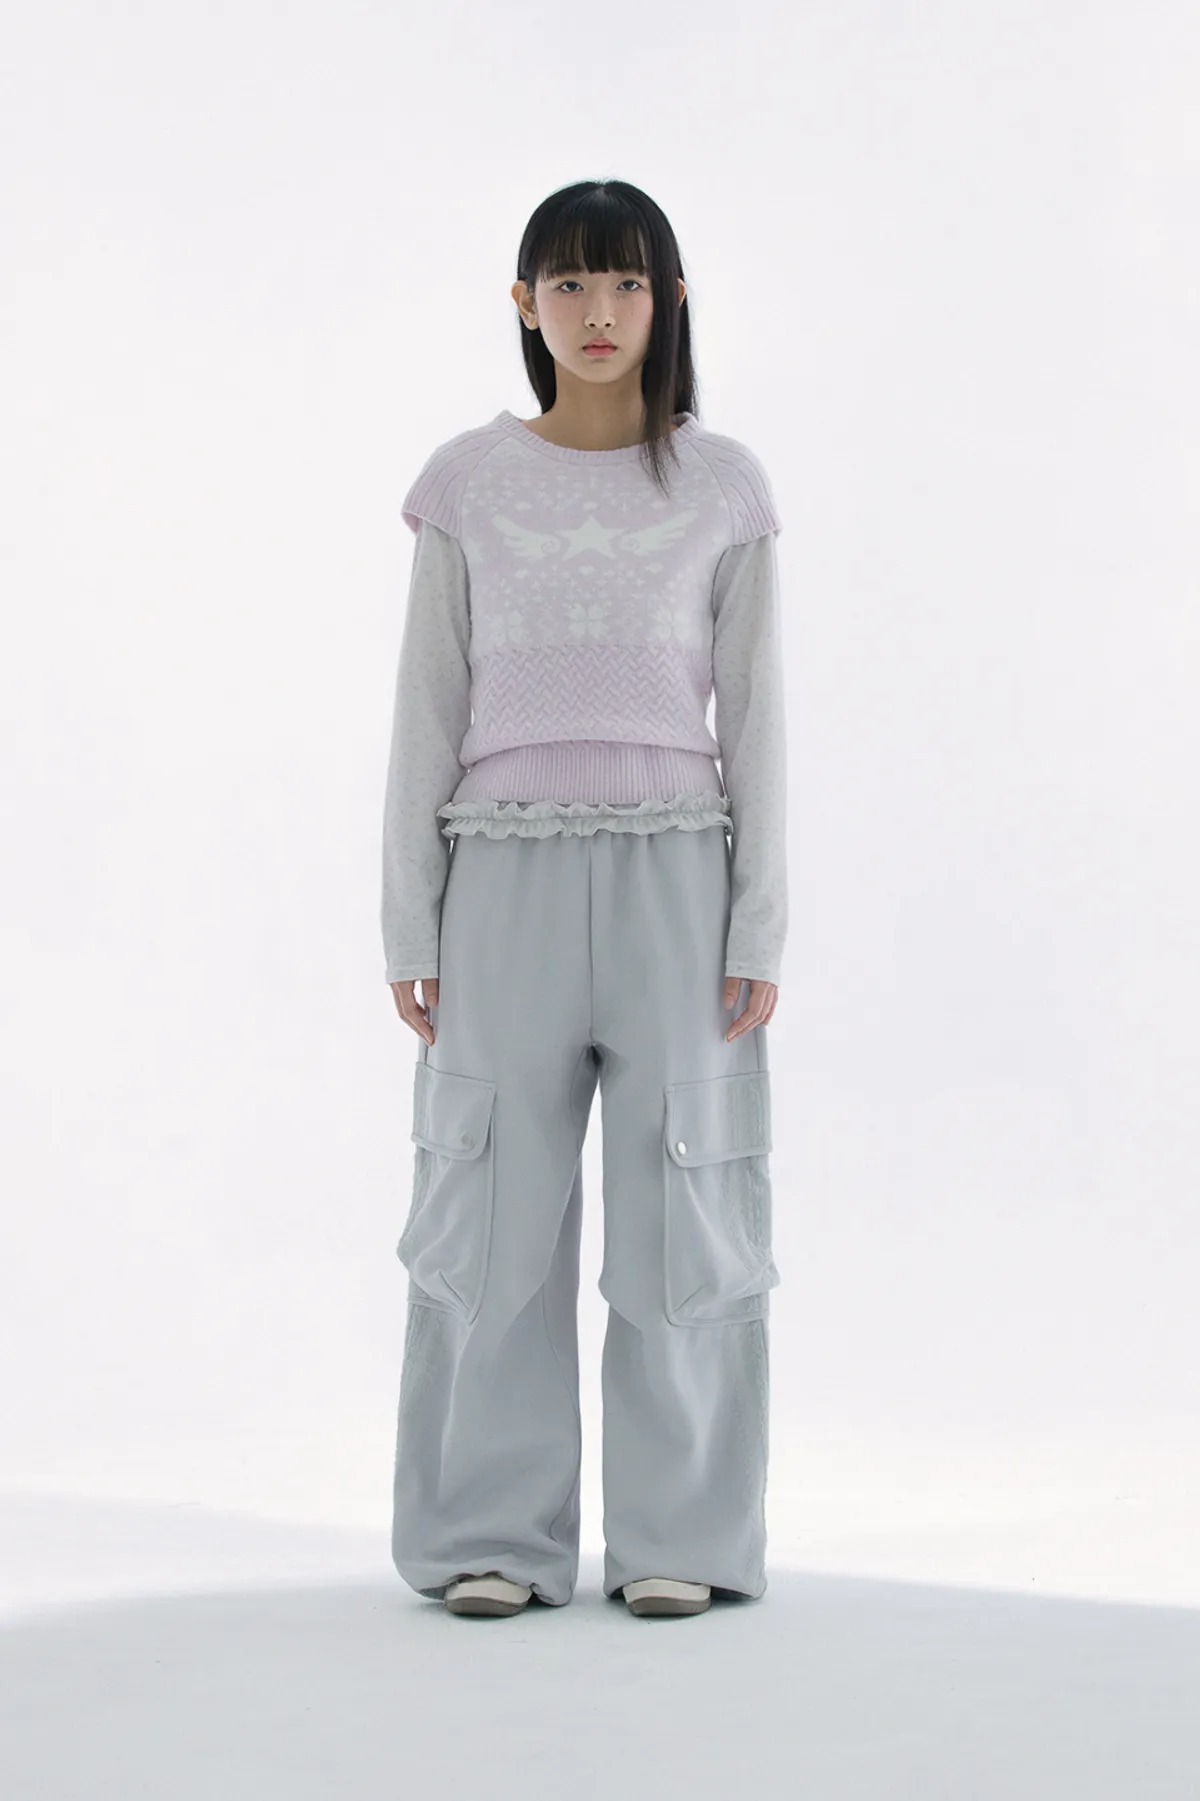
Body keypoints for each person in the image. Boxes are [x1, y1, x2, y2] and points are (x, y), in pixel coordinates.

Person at [381, 178, 788, 1620]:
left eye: (625, 283)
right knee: (490, 1206)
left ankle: (684, 1533)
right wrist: (408, 921)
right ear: (524, 304)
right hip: (500, 880)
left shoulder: (723, 485)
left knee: (686, 1206)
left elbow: (759, 719)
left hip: (681, 874)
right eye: (567, 283)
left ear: (669, 302)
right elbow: (427, 712)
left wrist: (759, 921)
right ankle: (488, 1532)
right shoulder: (467, 483)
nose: (596, 311)